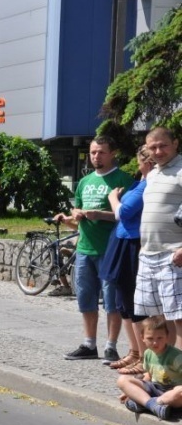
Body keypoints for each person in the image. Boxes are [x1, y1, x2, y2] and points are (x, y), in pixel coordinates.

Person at [55, 136, 133, 361]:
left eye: (101, 152)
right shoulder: (85, 181)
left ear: (112, 153)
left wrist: (100, 215)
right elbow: (77, 216)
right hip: (85, 249)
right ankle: (89, 344)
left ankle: (111, 346)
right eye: (92, 152)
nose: (96, 156)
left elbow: (128, 216)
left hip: (111, 250)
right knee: (85, 298)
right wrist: (73, 216)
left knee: (111, 301)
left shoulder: (122, 179)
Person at [101, 145, 154, 372]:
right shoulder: (139, 183)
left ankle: (143, 357)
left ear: (145, 162)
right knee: (123, 301)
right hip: (122, 240)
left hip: (132, 243)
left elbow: (123, 212)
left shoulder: (147, 186)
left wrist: (113, 197)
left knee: (132, 301)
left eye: (139, 160)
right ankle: (134, 351)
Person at [135, 127, 182, 348]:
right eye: (152, 147)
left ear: (175, 143)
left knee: (179, 318)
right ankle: (160, 372)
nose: (158, 151)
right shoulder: (152, 174)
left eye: (163, 145)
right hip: (148, 254)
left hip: (174, 255)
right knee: (154, 320)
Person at [117, 316, 182, 421]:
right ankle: (153, 405)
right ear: (142, 337)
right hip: (155, 389)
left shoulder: (176, 356)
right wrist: (130, 391)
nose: (155, 343)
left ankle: (144, 403)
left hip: (172, 393)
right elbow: (149, 376)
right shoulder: (148, 353)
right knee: (122, 380)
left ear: (167, 336)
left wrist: (175, 391)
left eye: (160, 338)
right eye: (150, 339)